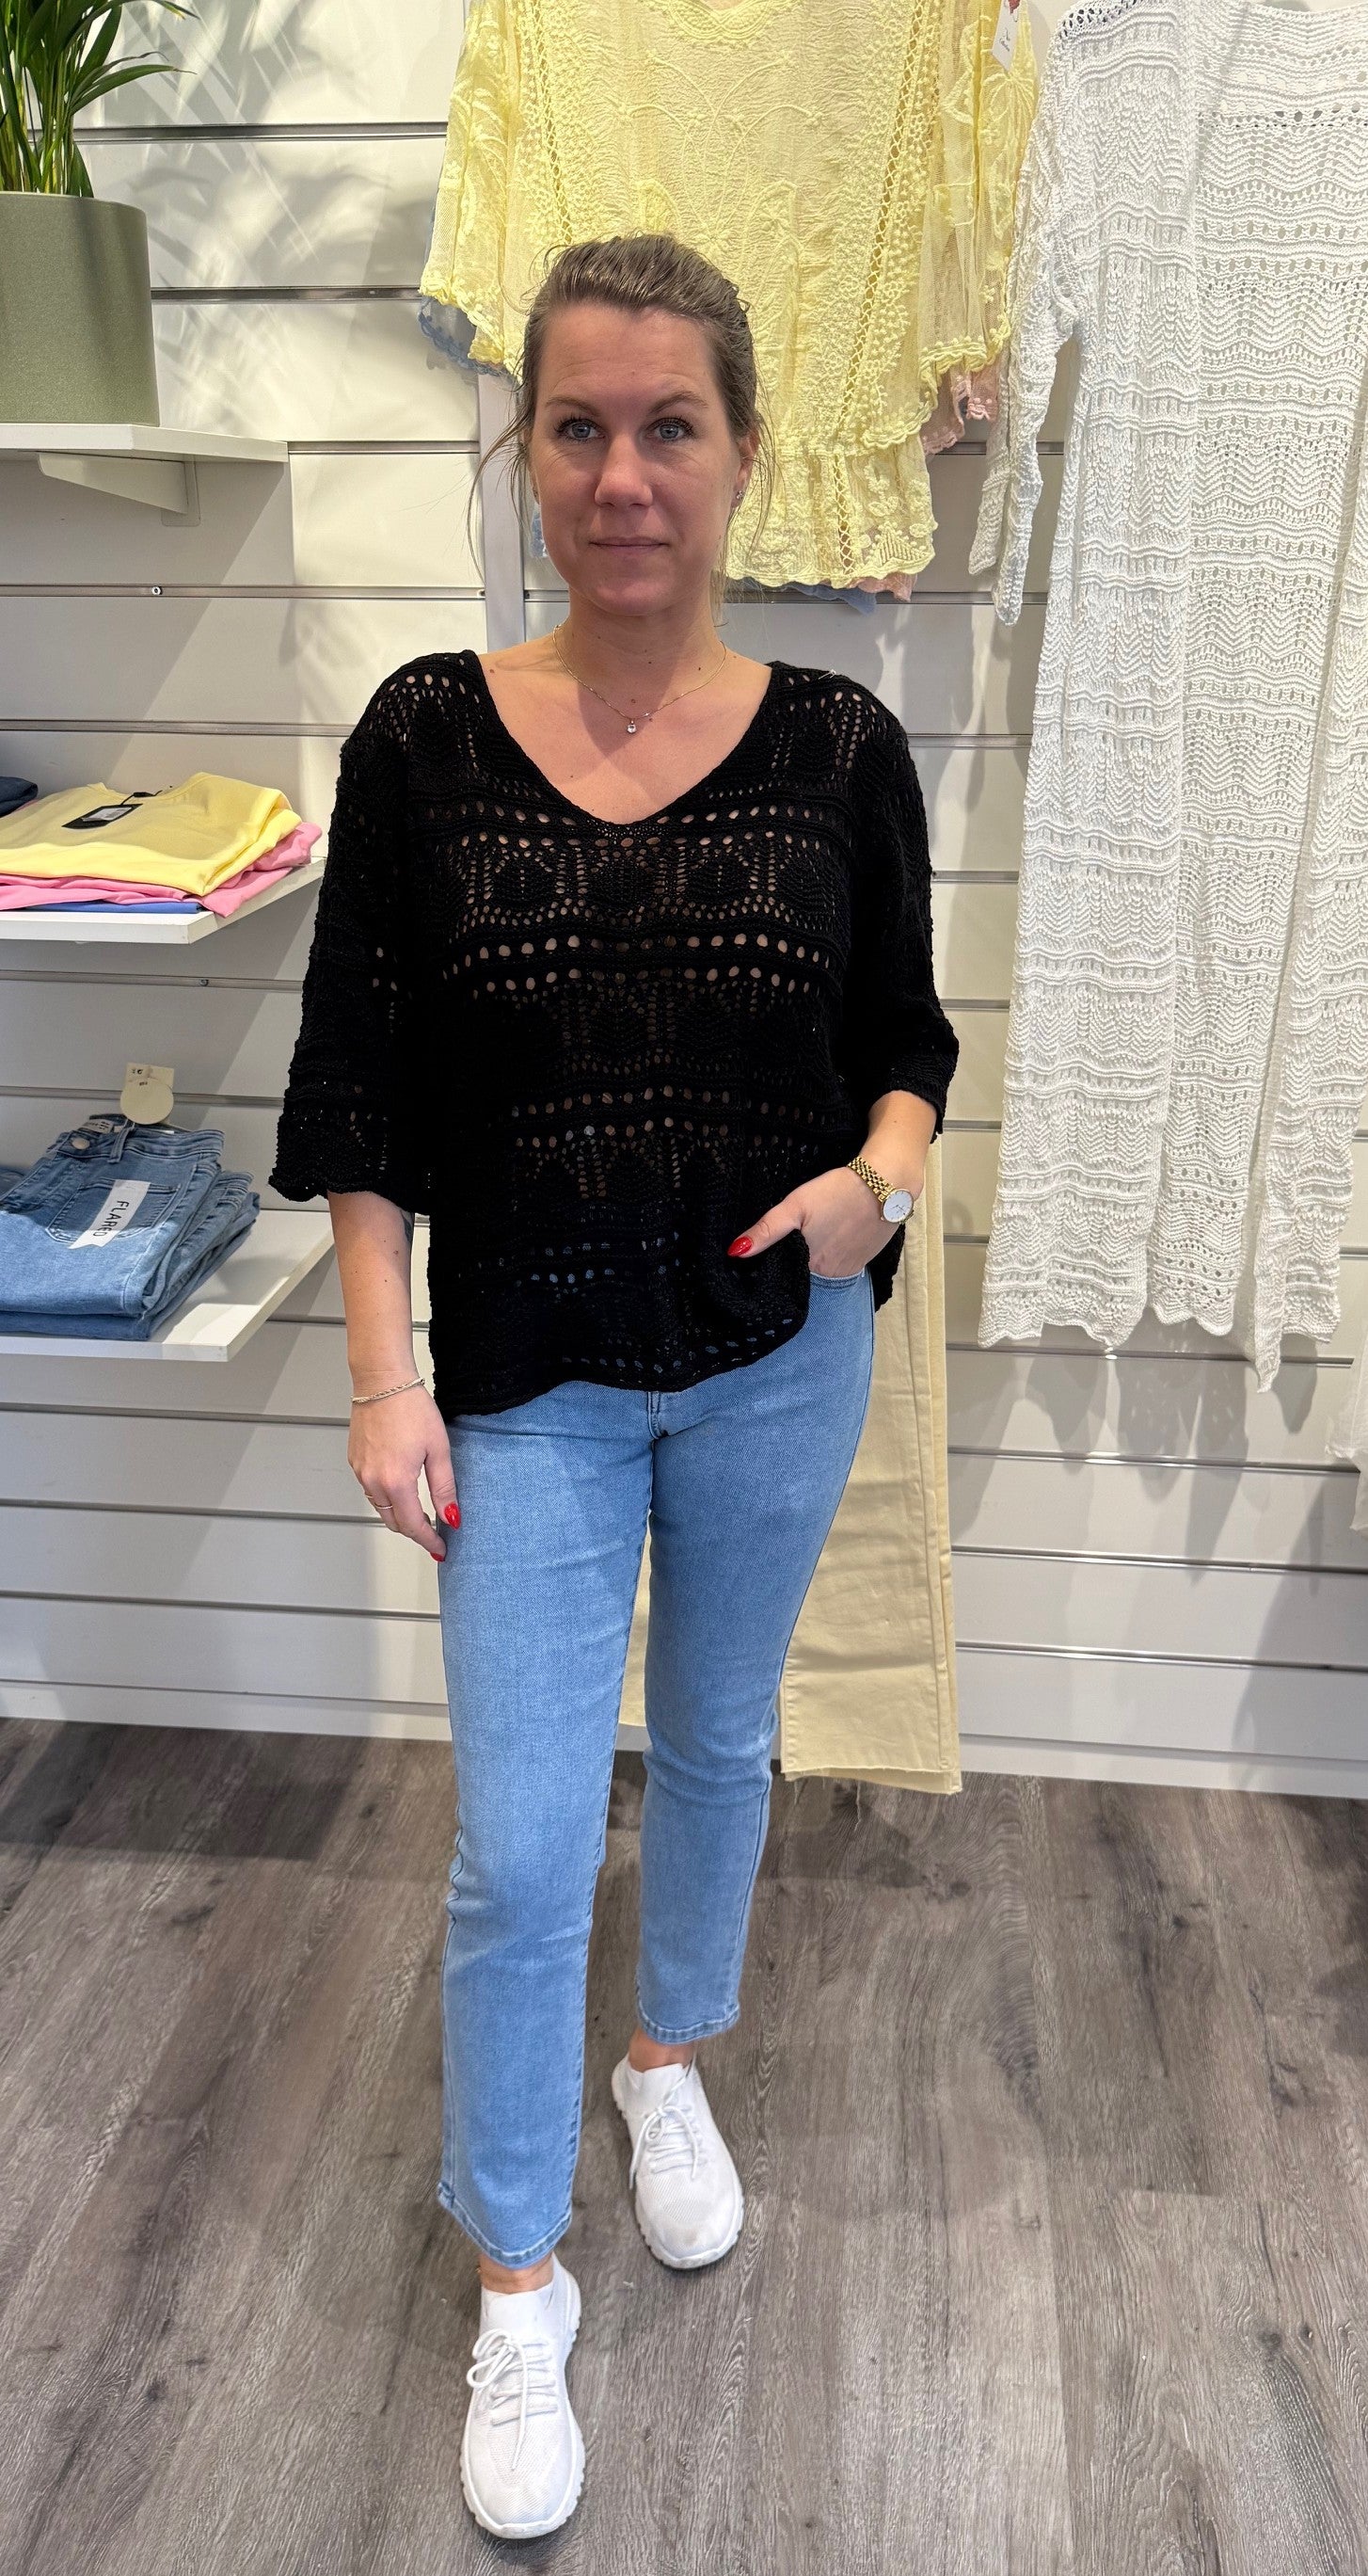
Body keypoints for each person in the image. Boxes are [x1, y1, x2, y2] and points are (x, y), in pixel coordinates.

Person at [271, 232, 958, 2543]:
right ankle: (514, 2267)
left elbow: (907, 1043)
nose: (623, 472)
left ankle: (665, 2060)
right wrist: (380, 1377)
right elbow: (357, 1088)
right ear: (528, 451)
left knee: (729, 1741)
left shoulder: (842, 746)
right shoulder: (423, 739)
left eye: (670, 425)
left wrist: (873, 1180)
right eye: (577, 426)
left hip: (778, 1355)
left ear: (742, 452)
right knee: (516, 1843)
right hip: (522, 1380)